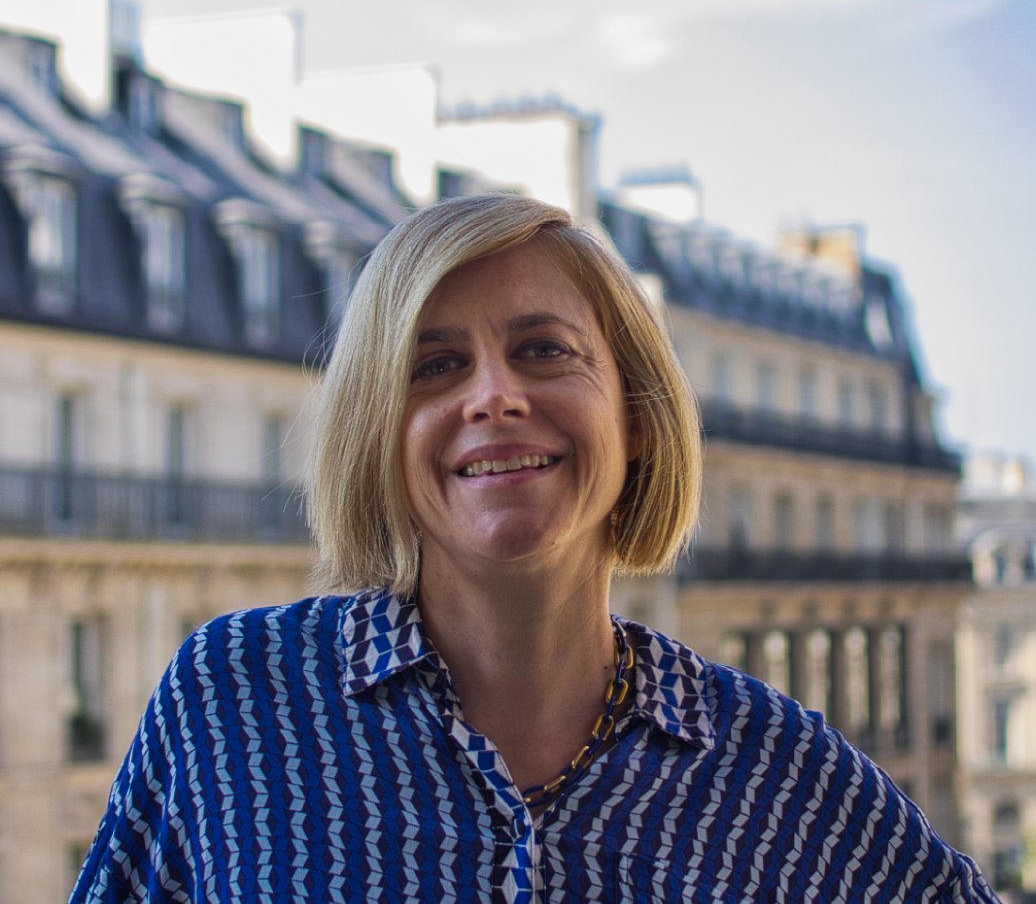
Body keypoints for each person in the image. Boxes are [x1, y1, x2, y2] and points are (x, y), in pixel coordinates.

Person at [72, 195, 999, 903]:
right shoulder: (237, 700)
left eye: (544, 350)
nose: (493, 397)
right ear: (375, 435)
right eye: (433, 367)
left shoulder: (768, 768)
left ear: (635, 417)